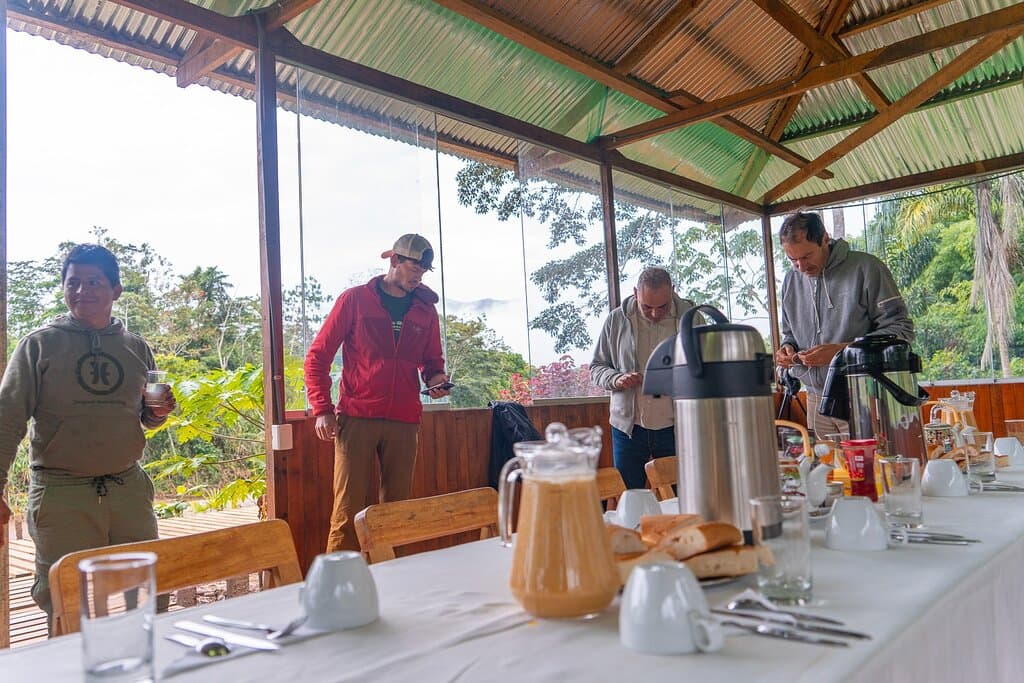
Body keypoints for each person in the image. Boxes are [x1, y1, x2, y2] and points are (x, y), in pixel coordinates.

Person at [0, 244, 176, 633]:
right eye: (73, 282)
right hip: (62, 494)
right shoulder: (39, 344)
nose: (82, 291)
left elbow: (148, 416)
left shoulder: (137, 348)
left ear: (115, 290)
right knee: (65, 600)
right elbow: (7, 418)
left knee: (149, 592)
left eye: (93, 282)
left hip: (128, 488)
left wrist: (157, 413)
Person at [305, 234, 450, 553]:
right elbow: (317, 356)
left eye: (424, 272)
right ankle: (339, 590)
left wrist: (437, 380)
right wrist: (322, 408)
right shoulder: (354, 300)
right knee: (346, 511)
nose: (418, 277)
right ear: (394, 261)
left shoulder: (426, 311)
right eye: (414, 268)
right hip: (356, 417)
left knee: (397, 514)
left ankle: (393, 586)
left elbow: (432, 363)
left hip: (404, 420)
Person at [774, 212, 914, 437]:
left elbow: (901, 331)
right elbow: (789, 333)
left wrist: (842, 352)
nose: (800, 266)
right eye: (792, 259)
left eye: (807, 256)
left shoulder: (867, 268)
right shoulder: (791, 281)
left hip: (863, 396)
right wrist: (787, 348)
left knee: (870, 468)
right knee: (827, 469)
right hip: (815, 399)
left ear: (825, 240)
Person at [590, 267, 698, 489]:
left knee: (684, 496)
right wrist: (616, 379)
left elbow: (707, 369)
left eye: (663, 307)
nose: (655, 314)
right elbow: (596, 367)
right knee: (631, 497)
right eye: (647, 307)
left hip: (677, 426)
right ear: (635, 293)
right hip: (628, 429)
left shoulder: (692, 319)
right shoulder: (616, 320)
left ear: (673, 292)